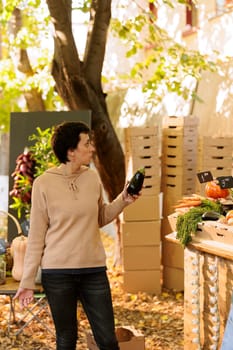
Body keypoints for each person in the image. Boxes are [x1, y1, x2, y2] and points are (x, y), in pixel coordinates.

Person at [14, 121, 140, 350]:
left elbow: (100, 217)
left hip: (93, 271)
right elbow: (36, 238)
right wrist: (28, 281)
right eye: (87, 143)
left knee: (108, 340)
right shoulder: (43, 184)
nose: (92, 148)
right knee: (66, 338)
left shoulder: (91, 178)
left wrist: (124, 200)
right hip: (58, 273)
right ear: (71, 151)